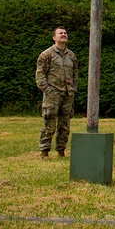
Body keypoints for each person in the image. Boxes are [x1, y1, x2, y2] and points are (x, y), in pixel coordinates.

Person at [35, 26, 78, 158]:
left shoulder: (71, 55)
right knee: (49, 123)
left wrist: (73, 88)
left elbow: (75, 74)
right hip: (52, 94)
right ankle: (44, 151)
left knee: (64, 125)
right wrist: (47, 90)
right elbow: (40, 74)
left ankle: (61, 150)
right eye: (60, 33)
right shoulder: (46, 55)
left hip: (67, 94)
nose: (64, 35)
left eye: (65, 33)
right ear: (54, 37)